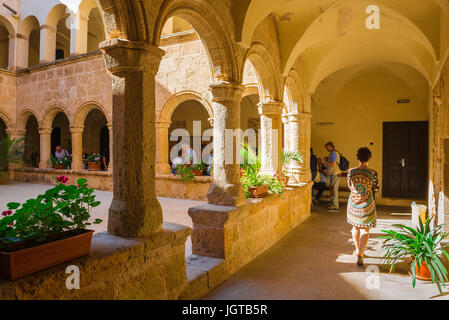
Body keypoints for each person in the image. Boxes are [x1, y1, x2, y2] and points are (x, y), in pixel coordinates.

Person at [347, 147, 379, 266]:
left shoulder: (351, 171)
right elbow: (376, 188)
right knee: (365, 230)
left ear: (357, 157)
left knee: (355, 228)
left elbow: (350, 186)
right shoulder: (373, 173)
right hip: (367, 204)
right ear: (369, 158)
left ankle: (357, 251)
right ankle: (361, 252)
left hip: (354, 203)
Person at [324, 141, 341, 212]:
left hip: (335, 174)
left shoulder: (333, 153)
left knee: (334, 190)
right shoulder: (335, 152)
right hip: (334, 173)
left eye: (326, 147)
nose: (326, 149)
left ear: (329, 146)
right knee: (332, 189)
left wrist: (326, 163)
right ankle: (332, 204)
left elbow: (334, 164)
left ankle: (335, 206)